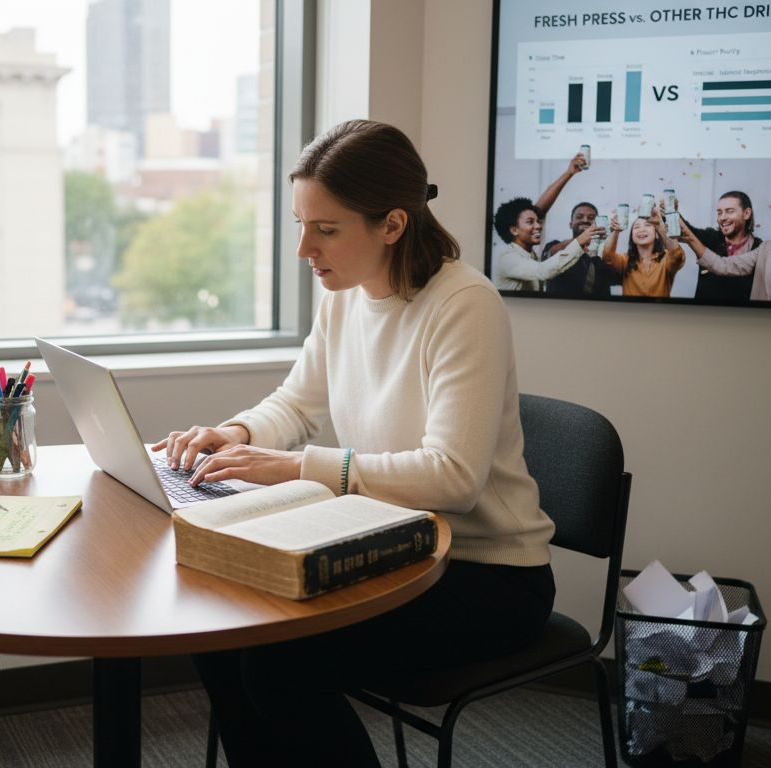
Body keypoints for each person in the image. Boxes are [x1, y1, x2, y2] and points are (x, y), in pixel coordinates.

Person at [153, 120, 556, 767]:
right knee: (221, 629)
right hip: (394, 548)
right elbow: (297, 402)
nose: (304, 248)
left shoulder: (465, 305)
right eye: (300, 224)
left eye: (326, 229)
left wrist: (291, 466)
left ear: (392, 224)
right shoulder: (344, 294)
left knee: (276, 661)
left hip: (486, 574)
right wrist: (233, 433)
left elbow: (453, 477)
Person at [491, 152, 604, 291]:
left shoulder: (530, 255)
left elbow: (538, 210)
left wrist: (569, 173)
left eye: (538, 221)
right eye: (530, 222)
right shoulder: (508, 258)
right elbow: (542, 271)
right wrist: (579, 241)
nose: (538, 226)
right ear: (514, 229)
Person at [679, 191, 762, 303]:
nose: (722, 218)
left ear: (746, 213)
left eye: (729, 211)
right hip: (704, 317)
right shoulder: (710, 238)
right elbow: (687, 231)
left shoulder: (760, 249)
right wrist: (672, 212)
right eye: (719, 212)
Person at [601, 205, 686, 298]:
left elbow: (677, 255)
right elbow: (607, 257)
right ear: (632, 237)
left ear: (657, 234)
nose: (641, 230)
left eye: (647, 225)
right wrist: (615, 231)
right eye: (636, 227)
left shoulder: (665, 259)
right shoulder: (625, 260)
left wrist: (660, 226)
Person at [541, 201, 619, 297]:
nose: (585, 220)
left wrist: (613, 236)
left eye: (591, 218)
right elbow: (549, 256)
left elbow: (618, 275)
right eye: (579, 217)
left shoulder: (604, 253)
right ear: (570, 224)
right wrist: (581, 239)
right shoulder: (554, 246)